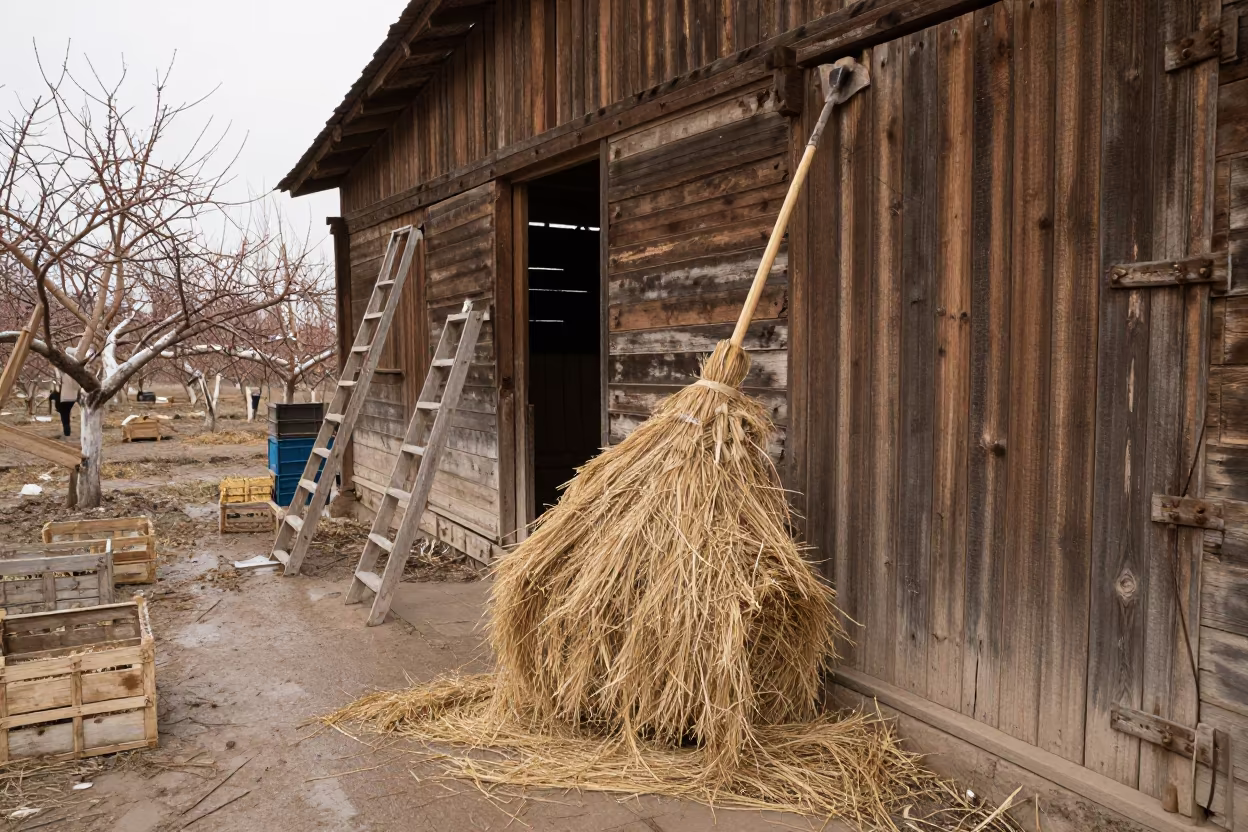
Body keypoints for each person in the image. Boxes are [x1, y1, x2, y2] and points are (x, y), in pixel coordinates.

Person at [56, 371, 79, 438]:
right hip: (73, 398)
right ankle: (67, 431)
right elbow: (76, 387)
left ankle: (67, 432)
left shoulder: (63, 375)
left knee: (64, 415)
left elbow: (58, 387)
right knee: (66, 414)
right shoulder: (75, 375)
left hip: (64, 398)